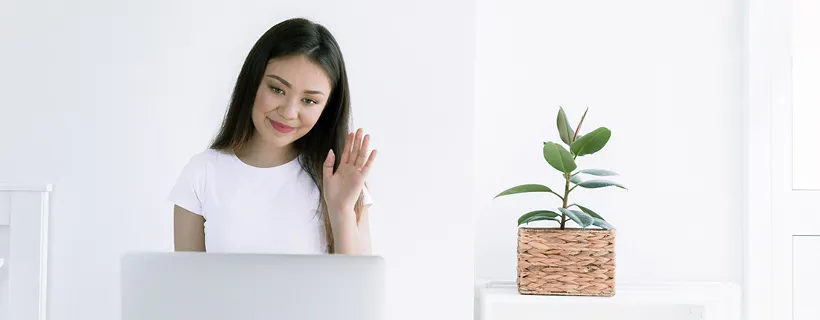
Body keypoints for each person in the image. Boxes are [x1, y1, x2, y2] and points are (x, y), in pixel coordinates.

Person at [168, 17, 376, 255]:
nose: (288, 112)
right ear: (253, 82)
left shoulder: (342, 181)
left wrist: (342, 210)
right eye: (277, 89)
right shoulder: (202, 173)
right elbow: (186, 287)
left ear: (327, 108)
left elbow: (355, 289)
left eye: (309, 101)